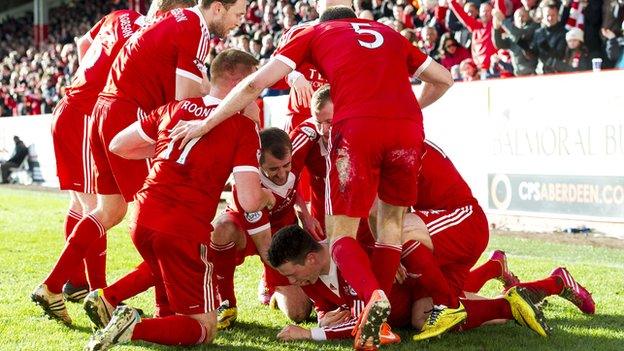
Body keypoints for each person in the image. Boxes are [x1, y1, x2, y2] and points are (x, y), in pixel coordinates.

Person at [168, 6, 453, 349]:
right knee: (391, 223)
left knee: (340, 231)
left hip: (358, 127)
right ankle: (379, 316)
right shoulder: (388, 32)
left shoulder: (313, 33)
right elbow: (444, 79)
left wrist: (206, 122)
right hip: (407, 128)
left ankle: (371, 300)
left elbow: (255, 82)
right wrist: (406, 112)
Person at [32, 0, 246, 326]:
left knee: (110, 210)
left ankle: (51, 286)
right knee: (161, 220)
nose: (239, 22)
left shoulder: (169, 21)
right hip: (127, 113)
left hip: (103, 111)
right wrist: (230, 104)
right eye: (238, 13)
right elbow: (184, 102)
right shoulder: (194, 28)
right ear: (217, 8)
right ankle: (159, 308)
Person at [84, 49, 275, 350]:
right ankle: (133, 326)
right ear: (240, 80)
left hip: (143, 214)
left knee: (170, 301)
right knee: (203, 328)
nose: (258, 90)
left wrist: (164, 152)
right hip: (181, 224)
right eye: (255, 81)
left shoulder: (176, 108)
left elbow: (119, 144)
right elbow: (250, 201)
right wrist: (267, 196)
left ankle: (148, 320)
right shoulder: (241, 126)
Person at [267, 225, 549, 344]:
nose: (293, 282)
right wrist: (322, 318)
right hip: (403, 301)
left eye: (292, 274)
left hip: (418, 287)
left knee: (425, 318)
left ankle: (522, 299)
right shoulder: (310, 277)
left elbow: (367, 323)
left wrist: (311, 334)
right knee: (455, 298)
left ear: (313, 258)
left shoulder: (351, 260)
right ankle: (495, 267)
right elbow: (325, 307)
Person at [46, 4, 155, 307]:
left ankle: (78, 282)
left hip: (73, 106)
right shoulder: (151, 32)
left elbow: (83, 43)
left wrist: (88, 82)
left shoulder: (118, 16)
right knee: (100, 207)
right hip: (85, 113)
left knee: (81, 203)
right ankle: (96, 290)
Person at [210, 127, 314, 328]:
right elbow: (266, 246)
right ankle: (226, 302)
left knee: (299, 313)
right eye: (274, 169)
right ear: (257, 163)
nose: (282, 173)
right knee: (221, 229)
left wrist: (305, 214)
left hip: (283, 231)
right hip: (250, 233)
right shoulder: (248, 187)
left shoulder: (299, 147)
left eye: (287, 165)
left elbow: (316, 121)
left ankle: (271, 288)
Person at [447, 0, 498, 70]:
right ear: (479, 13)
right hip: (479, 69)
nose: (485, 13)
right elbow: (462, 16)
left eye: (488, 11)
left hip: (494, 67)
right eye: (483, 11)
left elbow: (500, 8)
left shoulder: (496, 25)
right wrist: (452, 2)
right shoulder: (476, 26)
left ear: (493, 12)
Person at [492, 7, 539, 76]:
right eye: (518, 17)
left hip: (533, 74)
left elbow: (519, 34)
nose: (520, 19)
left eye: (523, 16)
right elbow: (499, 44)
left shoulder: (532, 29)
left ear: (529, 18)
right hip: (519, 74)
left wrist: (503, 21)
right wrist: (496, 28)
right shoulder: (511, 36)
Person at [530, 0, 567, 74]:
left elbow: (560, 55)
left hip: (557, 72)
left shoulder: (564, 33)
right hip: (540, 71)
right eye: (547, 16)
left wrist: (546, 47)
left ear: (557, 15)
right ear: (543, 16)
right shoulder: (538, 32)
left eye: (553, 15)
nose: (550, 18)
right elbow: (533, 54)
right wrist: (526, 49)